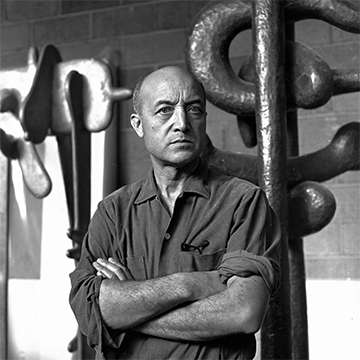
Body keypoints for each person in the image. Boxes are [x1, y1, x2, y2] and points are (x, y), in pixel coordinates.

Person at [69, 66, 281, 360]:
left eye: (194, 109)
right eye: (165, 110)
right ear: (139, 124)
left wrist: (131, 309)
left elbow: (243, 312)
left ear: (204, 119)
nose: (181, 123)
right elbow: (91, 311)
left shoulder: (243, 202)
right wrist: (189, 284)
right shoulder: (113, 213)